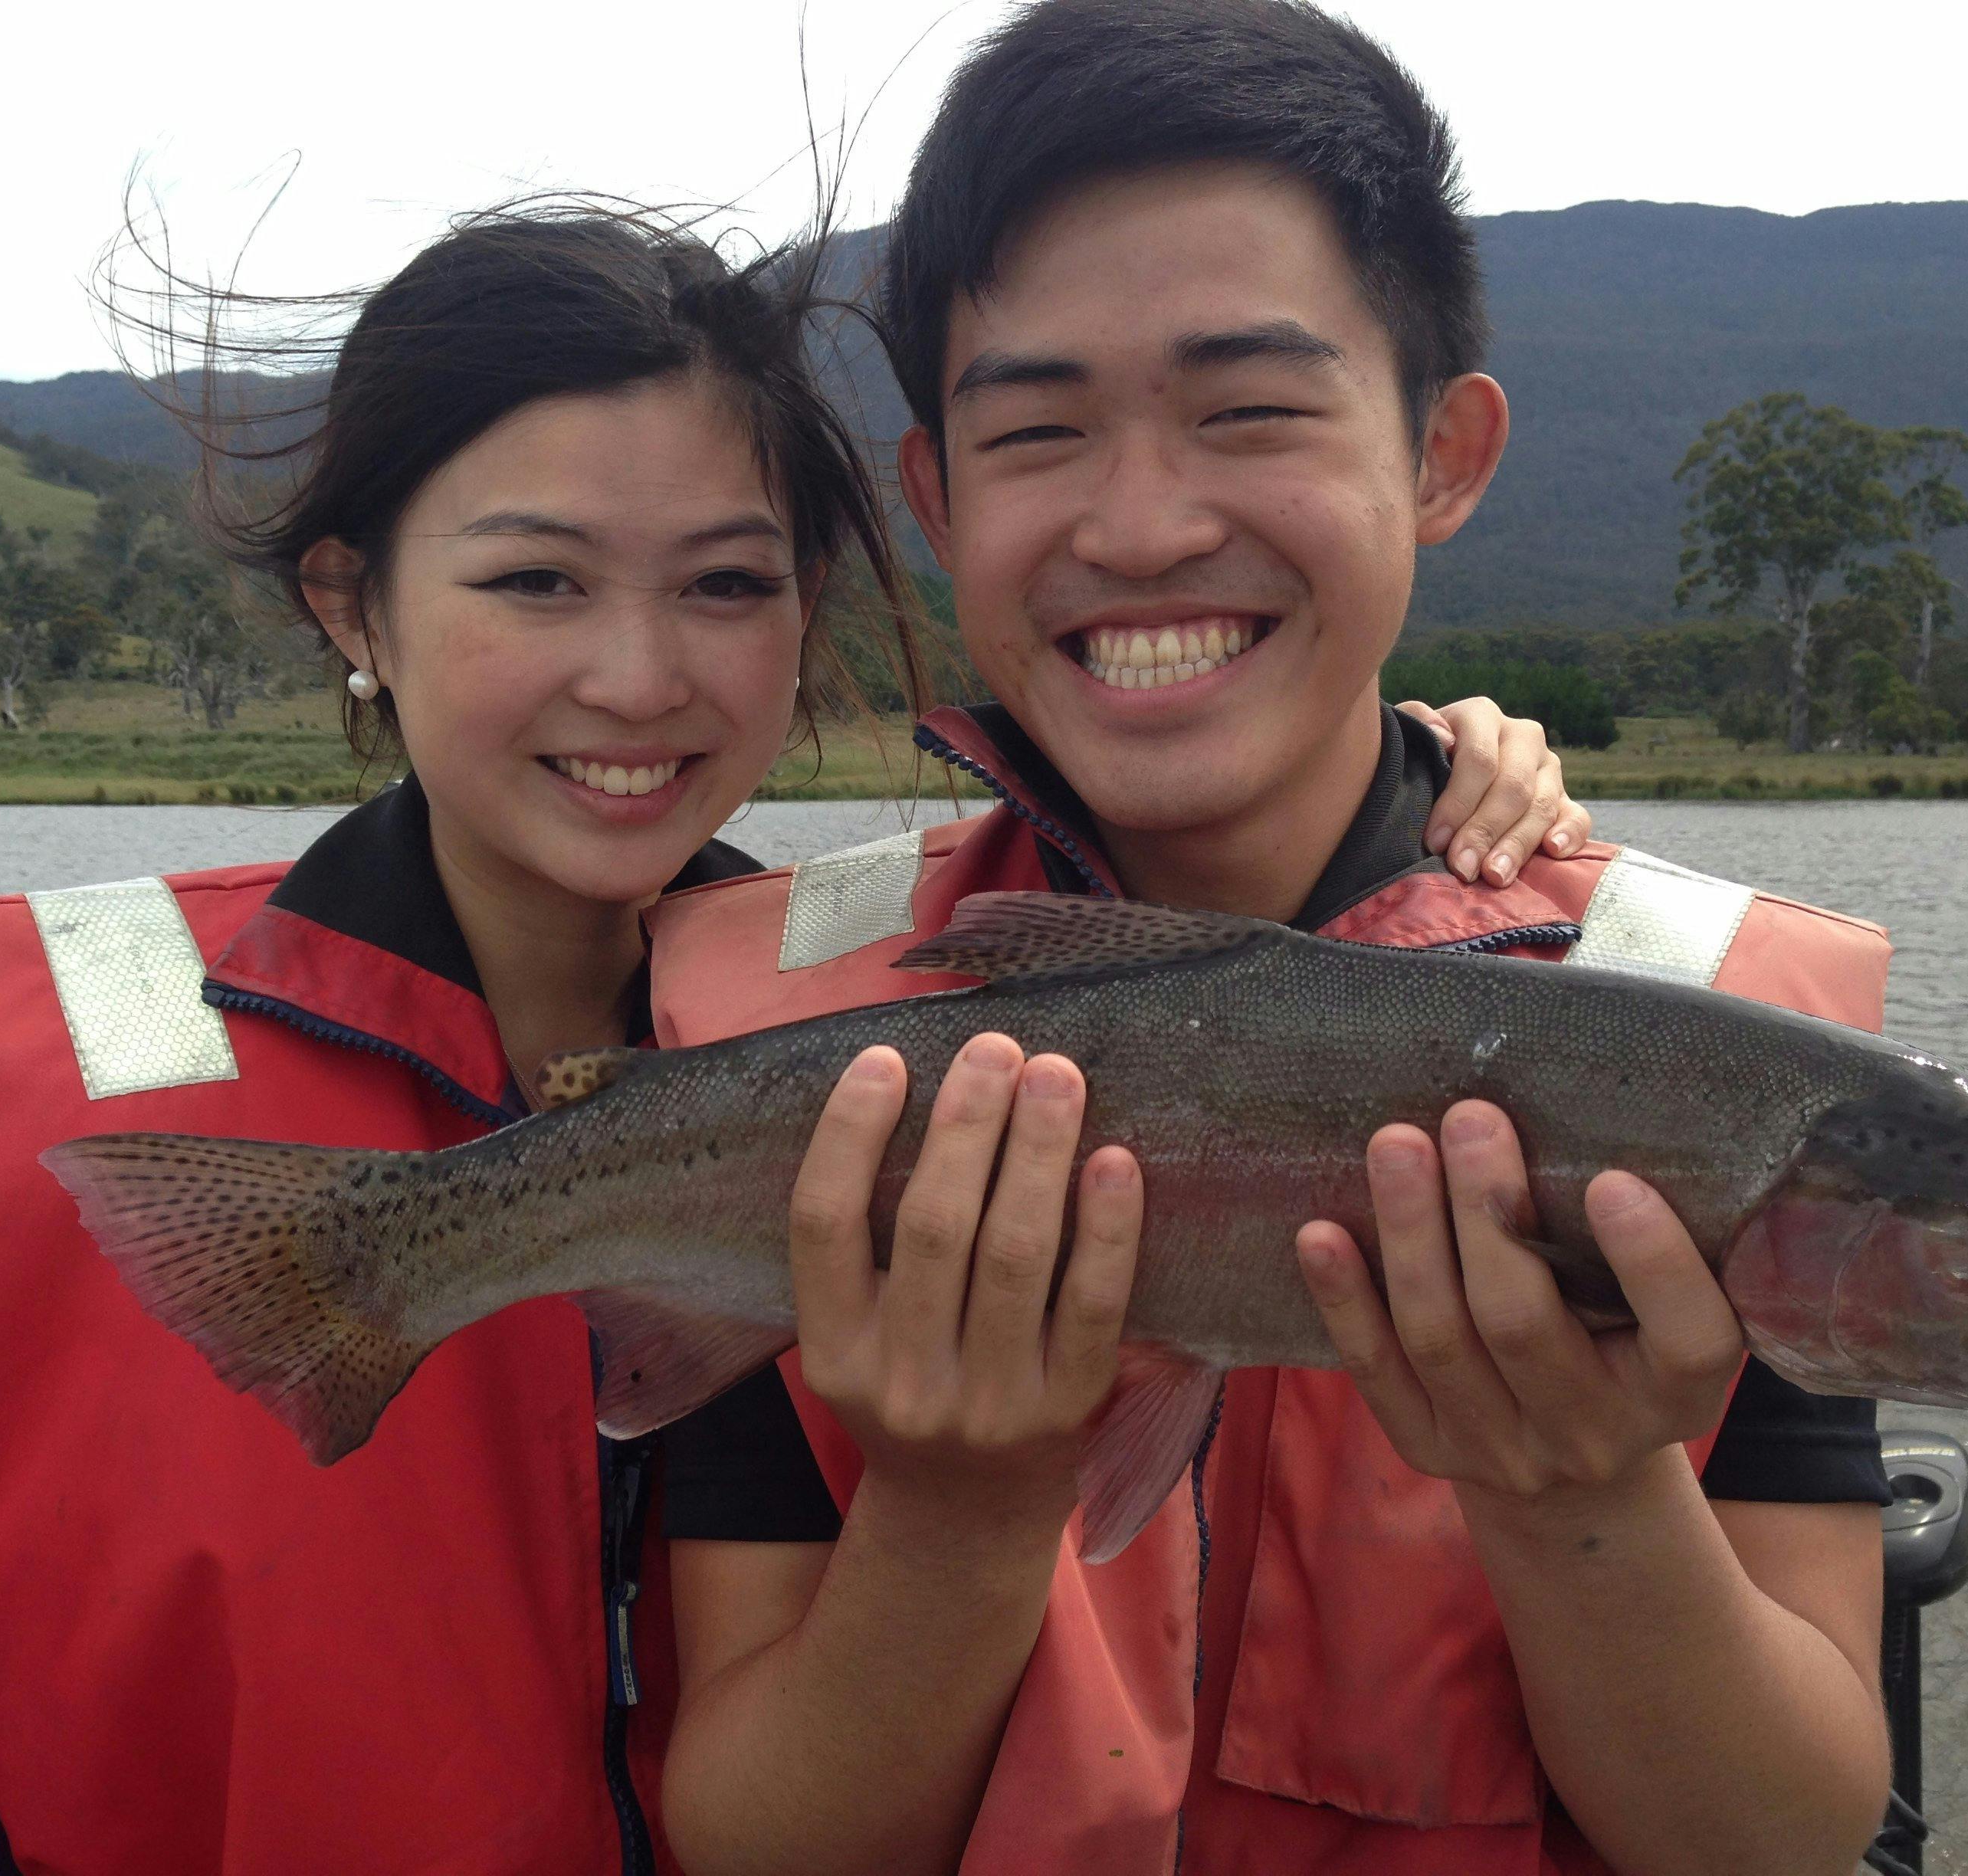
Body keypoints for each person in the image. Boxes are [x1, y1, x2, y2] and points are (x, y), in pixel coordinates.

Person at [0, 199, 1582, 1873]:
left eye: (729, 587)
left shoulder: (887, 1020)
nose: (641, 677)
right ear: (353, 605)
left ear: (809, 606)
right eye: (537, 581)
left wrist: (1422, 765)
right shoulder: (29, 1088)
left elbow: (1255, 922)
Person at [649, 6, 1897, 1875]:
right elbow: (752, 1845)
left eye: (1250, 412)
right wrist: (959, 1509)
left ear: (1443, 454)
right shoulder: (755, 1032)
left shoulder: (1728, 1055)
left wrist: (1587, 1493)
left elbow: (1776, 1845)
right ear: (936, 502)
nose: (1146, 525)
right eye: (1039, 431)